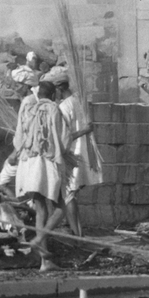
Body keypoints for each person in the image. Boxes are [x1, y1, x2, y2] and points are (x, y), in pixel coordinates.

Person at [1, 79, 75, 270]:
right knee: (61, 207)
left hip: (27, 165)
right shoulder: (53, 109)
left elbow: (18, 141)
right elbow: (64, 140)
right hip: (45, 164)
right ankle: (39, 238)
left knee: (41, 208)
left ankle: (45, 262)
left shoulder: (27, 110)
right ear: (52, 96)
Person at [53, 69, 102, 238]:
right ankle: (76, 231)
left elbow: (64, 137)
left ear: (59, 89)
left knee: (68, 194)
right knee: (70, 194)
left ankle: (76, 234)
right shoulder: (81, 102)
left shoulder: (64, 106)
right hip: (84, 153)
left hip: (72, 154)